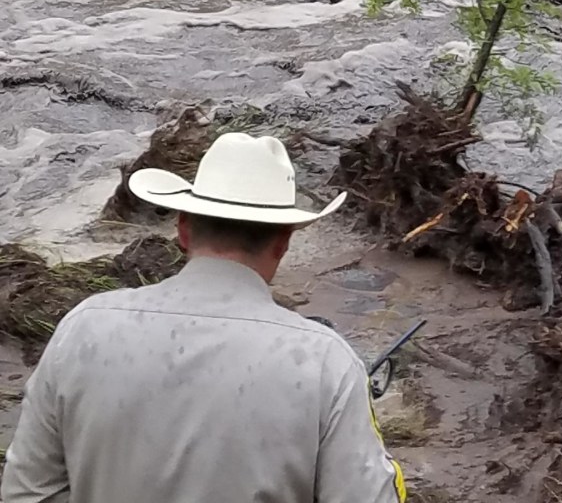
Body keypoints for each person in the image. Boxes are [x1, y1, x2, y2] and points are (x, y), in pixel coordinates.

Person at [0, 132, 408, 503]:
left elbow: (25, 494)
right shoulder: (327, 364)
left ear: (182, 228)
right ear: (284, 241)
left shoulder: (82, 328)